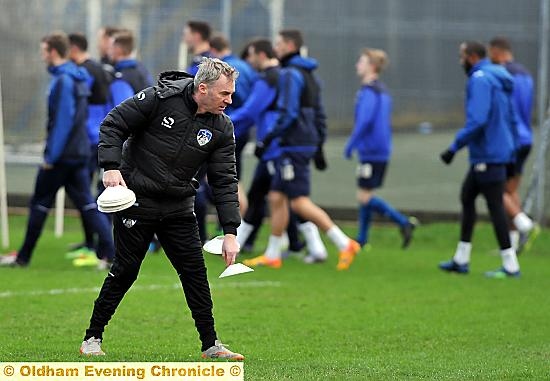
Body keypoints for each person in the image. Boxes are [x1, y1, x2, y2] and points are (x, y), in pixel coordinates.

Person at [79, 58, 244, 360]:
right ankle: (93, 336)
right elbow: (113, 124)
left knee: (194, 272)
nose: (229, 100)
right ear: (203, 88)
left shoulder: (222, 127)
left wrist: (231, 232)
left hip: (179, 207)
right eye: (225, 94)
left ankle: (211, 345)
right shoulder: (158, 99)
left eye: (231, 94)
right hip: (136, 201)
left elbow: (224, 181)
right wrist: (111, 167)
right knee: (126, 270)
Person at [244, 29, 358, 270]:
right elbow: (319, 114)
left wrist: (268, 138)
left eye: (279, 43)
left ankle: (344, 243)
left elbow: (289, 112)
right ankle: (273, 254)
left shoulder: (290, 74)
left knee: (298, 202)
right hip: (302, 143)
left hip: (292, 144)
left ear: (289, 45)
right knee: (276, 197)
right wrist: (319, 146)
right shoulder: (310, 74)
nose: (276, 47)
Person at [0, 32, 114, 268]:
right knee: (88, 204)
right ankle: (112, 254)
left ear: (52, 51)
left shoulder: (63, 80)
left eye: (44, 50)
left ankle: (23, 257)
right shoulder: (79, 77)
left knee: (40, 203)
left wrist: (51, 156)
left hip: (62, 155)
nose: (42, 56)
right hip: (79, 151)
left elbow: (64, 120)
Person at [234, 38, 326, 262]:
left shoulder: (275, 77)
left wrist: (220, 122)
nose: (248, 62)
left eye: (250, 56)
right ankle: (293, 246)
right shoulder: (293, 75)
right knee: (276, 196)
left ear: (260, 55)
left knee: (288, 198)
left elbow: (252, 111)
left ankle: (334, 242)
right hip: (279, 145)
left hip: (278, 147)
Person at [439, 41, 520, 278]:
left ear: (472, 57)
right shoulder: (497, 77)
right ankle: (461, 259)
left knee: (495, 206)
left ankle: (511, 264)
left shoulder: (481, 79)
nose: (459, 61)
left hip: (488, 154)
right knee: (467, 196)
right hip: (495, 152)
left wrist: (454, 147)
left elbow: (478, 120)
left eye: (461, 56)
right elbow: (510, 117)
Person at [344, 48, 416, 250]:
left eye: (361, 61)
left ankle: (403, 222)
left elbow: (365, 120)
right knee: (364, 192)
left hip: (372, 150)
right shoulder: (382, 90)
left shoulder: (369, 92)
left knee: (364, 197)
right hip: (380, 148)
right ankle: (362, 238)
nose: (357, 65)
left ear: (372, 66)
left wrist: (352, 143)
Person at [488, 36, 538, 253]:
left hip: (509, 139)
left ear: (497, 51)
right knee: (510, 190)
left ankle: (524, 222)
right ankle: (512, 245)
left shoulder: (501, 74)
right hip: (526, 138)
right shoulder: (526, 74)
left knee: (493, 187)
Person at [67, 32, 113, 264]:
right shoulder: (99, 68)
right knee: (89, 193)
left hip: (88, 139)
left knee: (84, 194)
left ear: (73, 48)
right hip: (101, 137)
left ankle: (97, 247)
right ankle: (95, 245)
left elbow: (79, 106)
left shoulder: (83, 72)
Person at [210, 33, 258, 215]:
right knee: (234, 178)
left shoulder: (228, 70)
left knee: (224, 178)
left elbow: (243, 103)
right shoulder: (245, 67)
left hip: (231, 131)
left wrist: (227, 122)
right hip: (242, 131)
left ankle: (232, 226)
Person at [108, 30, 154, 108]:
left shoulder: (122, 77)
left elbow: (122, 110)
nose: (109, 51)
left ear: (118, 49)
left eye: (112, 47)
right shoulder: (142, 69)